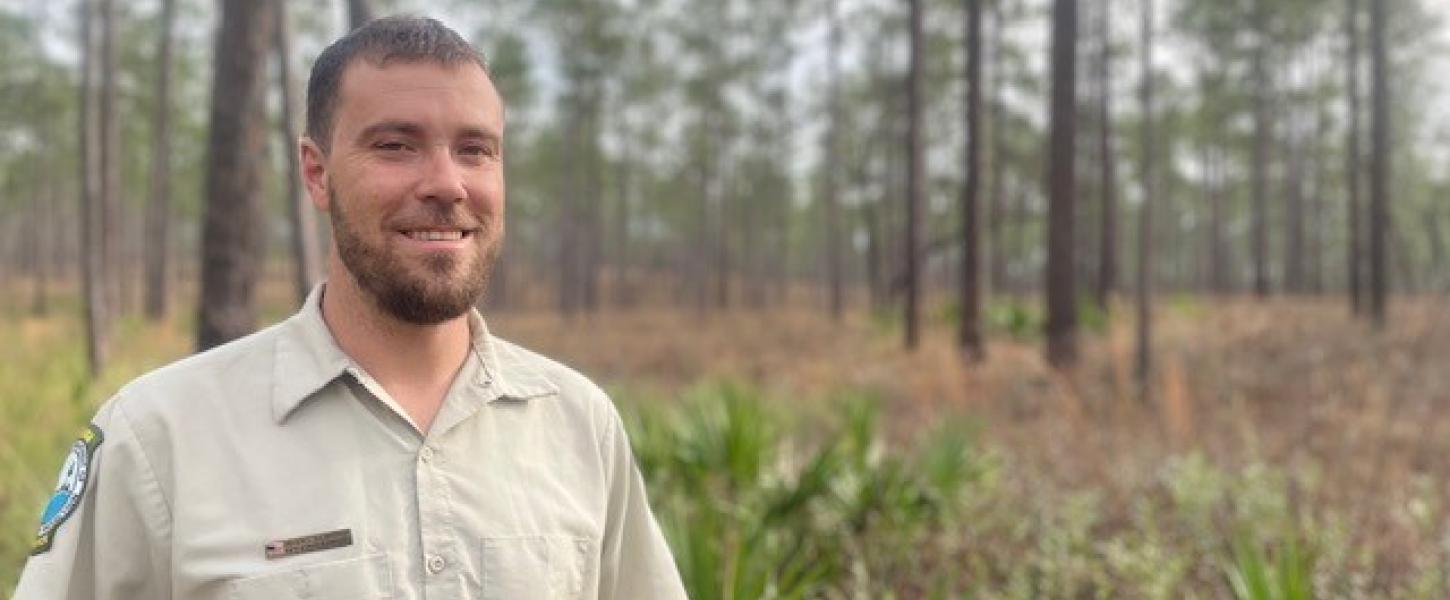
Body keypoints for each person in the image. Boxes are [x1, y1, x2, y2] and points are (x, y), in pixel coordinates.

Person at [13, 16, 687, 599]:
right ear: (316, 171)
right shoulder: (160, 440)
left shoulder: (577, 425)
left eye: (475, 150)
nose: (447, 184)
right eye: (396, 145)